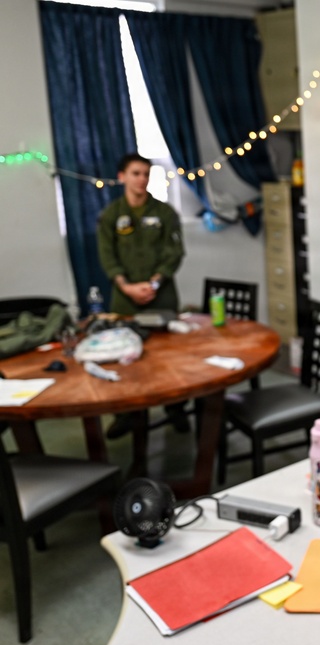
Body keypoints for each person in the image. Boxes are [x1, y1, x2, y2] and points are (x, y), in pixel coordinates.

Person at [97, 153, 187, 438]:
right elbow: (107, 256)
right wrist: (126, 286)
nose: (141, 179)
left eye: (146, 174)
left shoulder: (164, 213)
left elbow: (174, 253)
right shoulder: (111, 215)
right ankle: (125, 415)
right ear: (122, 176)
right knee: (124, 358)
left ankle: (176, 409)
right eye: (136, 173)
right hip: (125, 300)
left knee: (168, 358)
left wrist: (154, 284)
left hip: (160, 297)